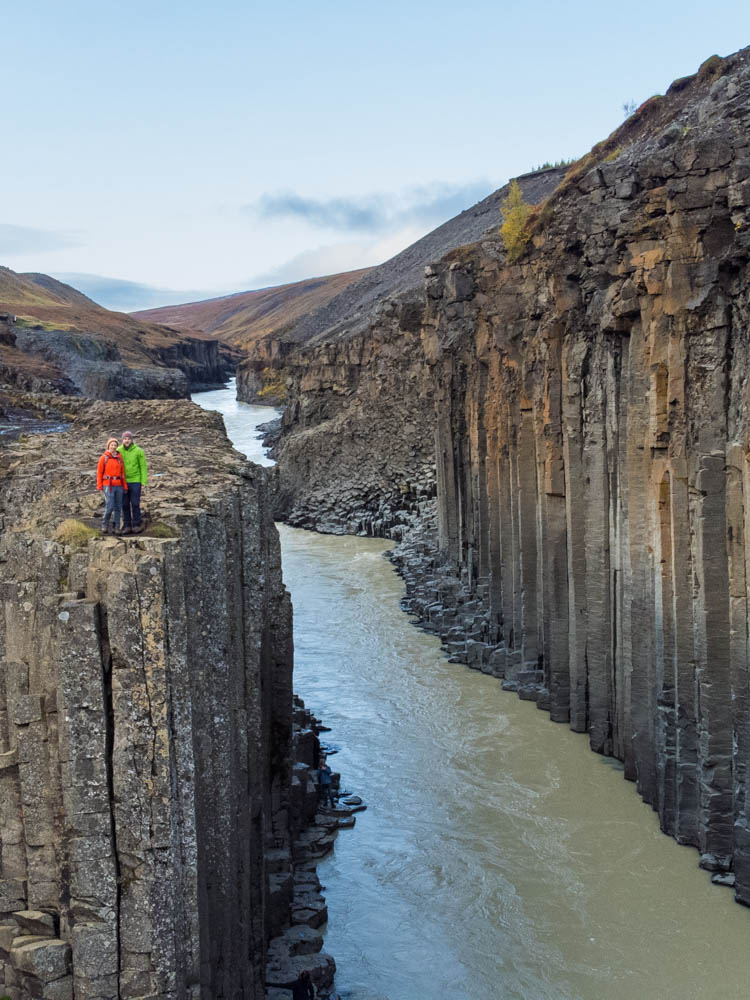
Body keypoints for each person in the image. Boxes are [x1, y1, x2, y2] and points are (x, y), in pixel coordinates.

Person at [118, 429, 148, 535]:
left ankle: (136, 524)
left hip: (135, 481)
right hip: (123, 482)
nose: (127, 441)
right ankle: (126, 526)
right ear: (122, 440)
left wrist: (143, 482)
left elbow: (143, 467)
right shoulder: (118, 450)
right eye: (125, 439)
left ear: (132, 440)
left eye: (129, 439)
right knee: (124, 504)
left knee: (135, 504)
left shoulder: (139, 451)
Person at [97, 437, 128, 535]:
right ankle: (104, 525)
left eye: (115, 445)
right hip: (108, 485)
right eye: (112, 445)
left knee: (118, 507)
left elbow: (123, 473)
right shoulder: (104, 457)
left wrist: (125, 486)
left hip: (119, 485)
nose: (113, 447)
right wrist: (99, 485)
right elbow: (99, 472)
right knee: (109, 506)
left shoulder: (119, 458)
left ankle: (117, 527)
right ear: (108, 446)